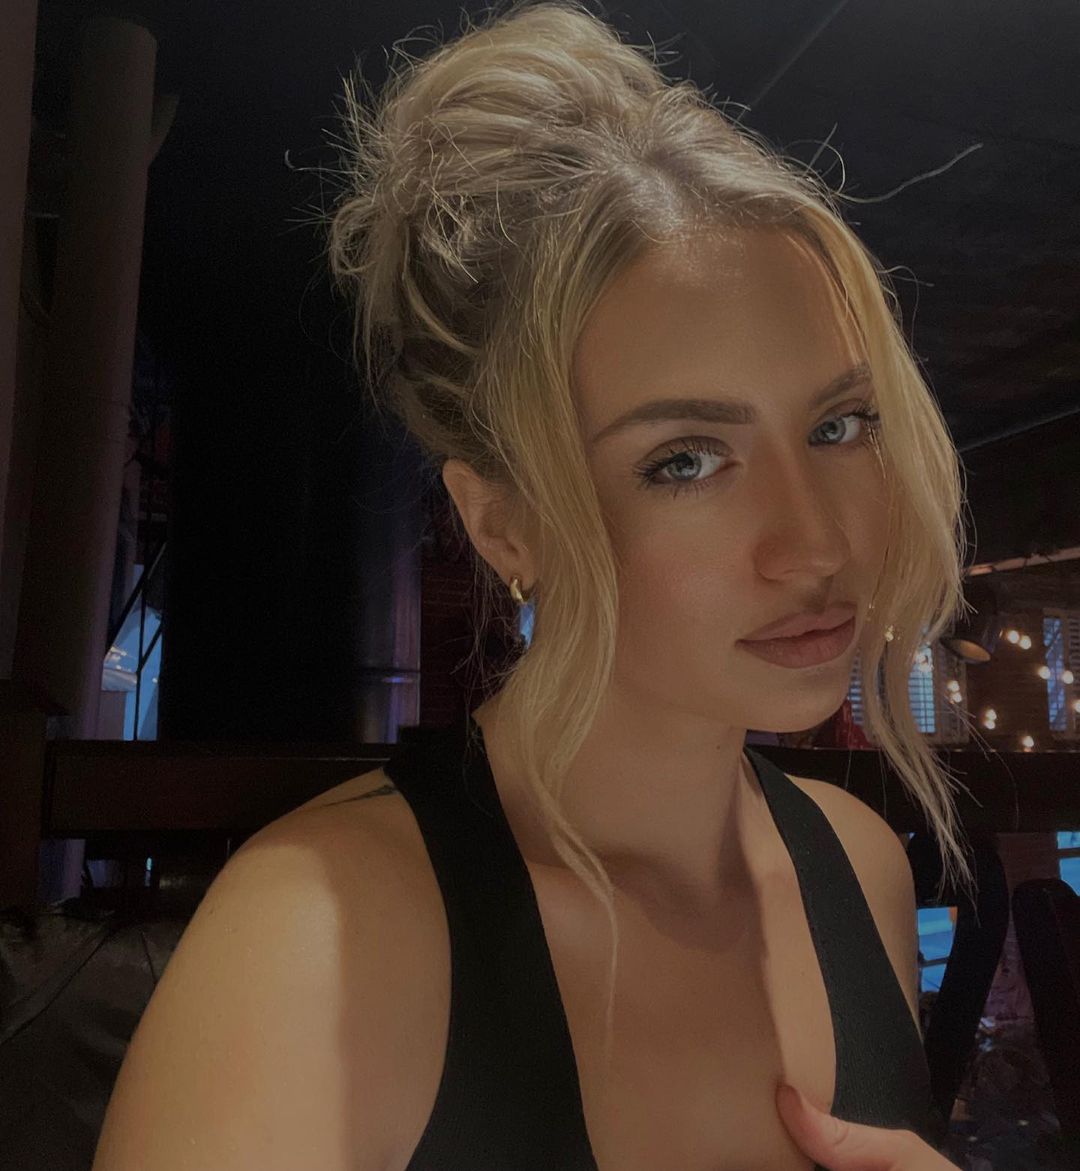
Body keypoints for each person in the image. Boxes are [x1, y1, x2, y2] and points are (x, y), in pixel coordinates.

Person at [92, 2, 974, 1168]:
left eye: (841, 424)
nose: (813, 543)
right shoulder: (319, 940)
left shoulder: (860, 866)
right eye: (686, 460)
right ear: (505, 523)